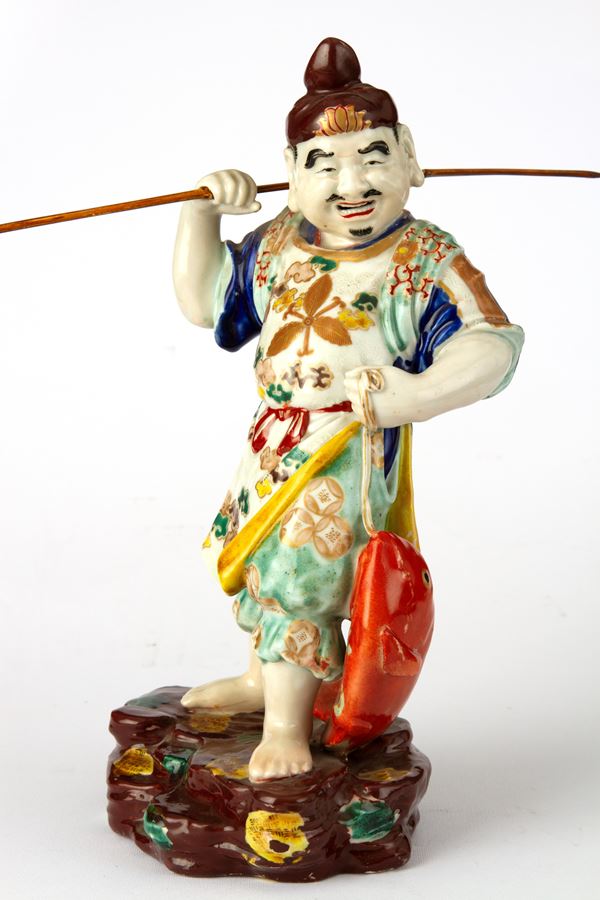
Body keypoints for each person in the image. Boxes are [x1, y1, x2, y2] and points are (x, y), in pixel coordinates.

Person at [172, 37, 524, 781]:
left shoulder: (422, 258)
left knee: (304, 577)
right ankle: (263, 680)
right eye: (324, 165)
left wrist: (414, 394)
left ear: (411, 159)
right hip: (273, 443)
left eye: (373, 157)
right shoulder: (277, 243)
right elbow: (206, 303)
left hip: (347, 447)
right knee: (263, 566)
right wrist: (200, 214)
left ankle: (286, 728)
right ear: (293, 172)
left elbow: (490, 343)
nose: (351, 184)